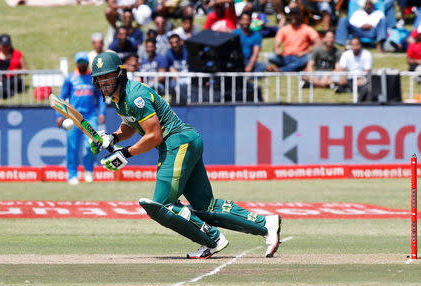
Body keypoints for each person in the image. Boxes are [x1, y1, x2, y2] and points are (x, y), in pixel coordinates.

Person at [89, 51, 281, 259]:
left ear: (119, 74)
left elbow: (154, 136)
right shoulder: (120, 97)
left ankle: (212, 239)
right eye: (100, 78)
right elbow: (131, 124)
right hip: (186, 140)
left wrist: (125, 153)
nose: (104, 82)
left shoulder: (135, 96)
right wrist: (114, 138)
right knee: (205, 207)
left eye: (108, 76)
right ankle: (266, 224)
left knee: (161, 205)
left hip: (177, 142)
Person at [56, 51, 107, 185]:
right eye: (80, 62)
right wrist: (59, 115)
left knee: (91, 145)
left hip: (90, 117)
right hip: (73, 117)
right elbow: (62, 98)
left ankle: (89, 171)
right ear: (77, 63)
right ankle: (72, 174)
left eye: (84, 62)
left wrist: (102, 113)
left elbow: (101, 97)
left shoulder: (92, 78)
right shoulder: (70, 78)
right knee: (72, 147)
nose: (83, 64)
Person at [266, 7, 321, 72]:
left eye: (295, 14)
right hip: (285, 57)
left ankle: (281, 69)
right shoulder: (284, 29)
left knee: (309, 57)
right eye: (291, 15)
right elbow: (276, 46)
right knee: (271, 56)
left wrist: (305, 52)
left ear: (300, 16)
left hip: (300, 56)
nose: (293, 17)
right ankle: (294, 67)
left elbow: (318, 43)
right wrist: (277, 50)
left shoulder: (307, 29)